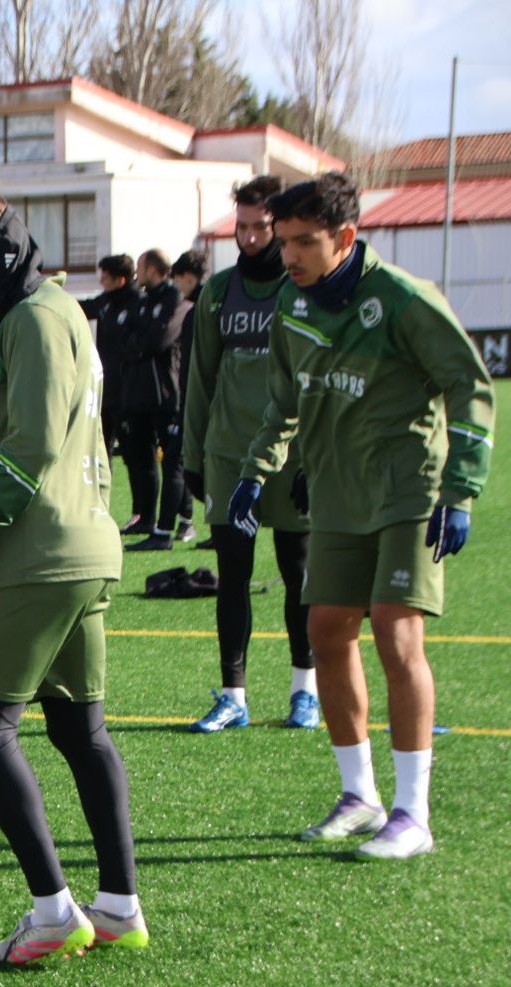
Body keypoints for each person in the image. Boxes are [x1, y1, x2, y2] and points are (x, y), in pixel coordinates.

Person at [231, 171, 494, 860]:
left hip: (409, 491)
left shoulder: (403, 301)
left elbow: (470, 386)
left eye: (304, 242)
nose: (288, 255)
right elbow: (283, 400)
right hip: (337, 494)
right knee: (325, 629)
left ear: (345, 238)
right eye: (282, 240)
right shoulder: (292, 302)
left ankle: (413, 812)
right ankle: (361, 795)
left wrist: (460, 490)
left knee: (395, 634)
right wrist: (255, 475)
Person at [0, 185, 144, 964]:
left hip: (41, 553)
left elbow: (29, 450)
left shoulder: (35, 317)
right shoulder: (57, 312)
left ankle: (54, 910)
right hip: (80, 548)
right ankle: (117, 903)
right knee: (79, 730)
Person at [182, 176, 320, 731]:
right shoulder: (216, 293)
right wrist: (194, 456)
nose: (249, 237)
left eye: (260, 227)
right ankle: (234, 695)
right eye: (240, 227)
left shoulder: (305, 291)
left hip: (295, 459)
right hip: (228, 456)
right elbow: (200, 380)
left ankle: (304, 691)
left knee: (299, 573)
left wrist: (316, 459)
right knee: (233, 576)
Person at [123, 249, 193, 548]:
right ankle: (147, 520)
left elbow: (158, 339)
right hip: (140, 395)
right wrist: (139, 343)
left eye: (140, 267)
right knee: (143, 459)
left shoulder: (174, 299)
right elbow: (127, 338)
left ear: (153, 269)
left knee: (174, 459)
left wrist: (140, 343)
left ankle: (184, 521)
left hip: (166, 394)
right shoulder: (143, 300)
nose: (137, 273)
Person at [78, 254, 141, 466]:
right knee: (100, 452)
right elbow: (83, 308)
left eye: (105, 278)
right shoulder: (106, 301)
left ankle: (142, 500)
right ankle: (101, 498)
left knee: (135, 457)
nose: (101, 282)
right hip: (105, 388)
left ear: (120, 280)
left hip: (129, 391)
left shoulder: (138, 304)